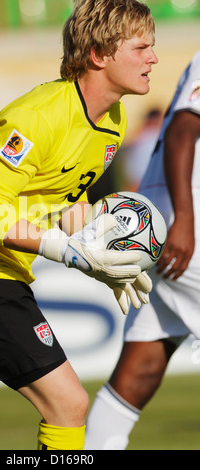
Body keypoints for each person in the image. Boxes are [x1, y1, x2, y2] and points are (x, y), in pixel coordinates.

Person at [0, 0, 157, 451]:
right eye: (140, 48)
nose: (153, 58)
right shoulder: (35, 117)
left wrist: (103, 255)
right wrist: (67, 252)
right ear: (98, 54)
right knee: (69, 406)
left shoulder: (112, 123)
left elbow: (61, 203)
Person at [85, 49, 200, 450]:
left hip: (163, 231)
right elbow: (185, 126)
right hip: (190, 228)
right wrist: (185, 220)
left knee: (139, 373)